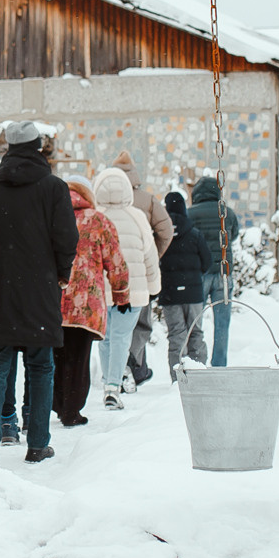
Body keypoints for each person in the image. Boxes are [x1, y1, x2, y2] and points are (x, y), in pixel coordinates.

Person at [0, 121, 77, 467]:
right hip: (40, 293)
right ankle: (38, 444)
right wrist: (60, 274)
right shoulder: (54, 189)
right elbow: (67, 239)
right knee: (41, 367)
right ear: (38, 146)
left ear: (7, 148)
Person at [54, 178, 129, 427]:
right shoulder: (98, 220)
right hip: (87, 304)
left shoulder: (51, 217)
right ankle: (72, 410)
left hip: (54, 300)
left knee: (57, 356)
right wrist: (121, 294)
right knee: (79, 357)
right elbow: (115, 262)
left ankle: (57, 403)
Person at [90, 165, 159, 412]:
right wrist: (153, 287)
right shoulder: (137, 216)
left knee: (105, 338)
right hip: (133, 290)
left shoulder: (96, 216)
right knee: (121, 337)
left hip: (101, 290)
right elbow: (150, 255)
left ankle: (108, 379)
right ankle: (112, 385)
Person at [110, 152, 173, 390]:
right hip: (139, 272)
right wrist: (153, 255)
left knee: (112, 324)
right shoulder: (147, 200)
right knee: (141, 322)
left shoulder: (101, 199)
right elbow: (166, 230)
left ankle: (114, 372)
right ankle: (131, 361)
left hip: (109, 272)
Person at [189, 173, 241, 368]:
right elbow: (234, 235)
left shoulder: (190, 213)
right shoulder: (227, 212)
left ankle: (195, 361)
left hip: (200, 272)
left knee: (196, 320)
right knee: (222, 322)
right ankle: (219, 364)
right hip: (223, 272)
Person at [159, 190, 210, 376]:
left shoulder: (162, 235)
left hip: (169, 294)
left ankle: (178, 378)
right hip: (193, 294)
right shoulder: (195, 234)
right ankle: (200, 375)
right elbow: (207, 262)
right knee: (195, 333)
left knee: (176, 336)